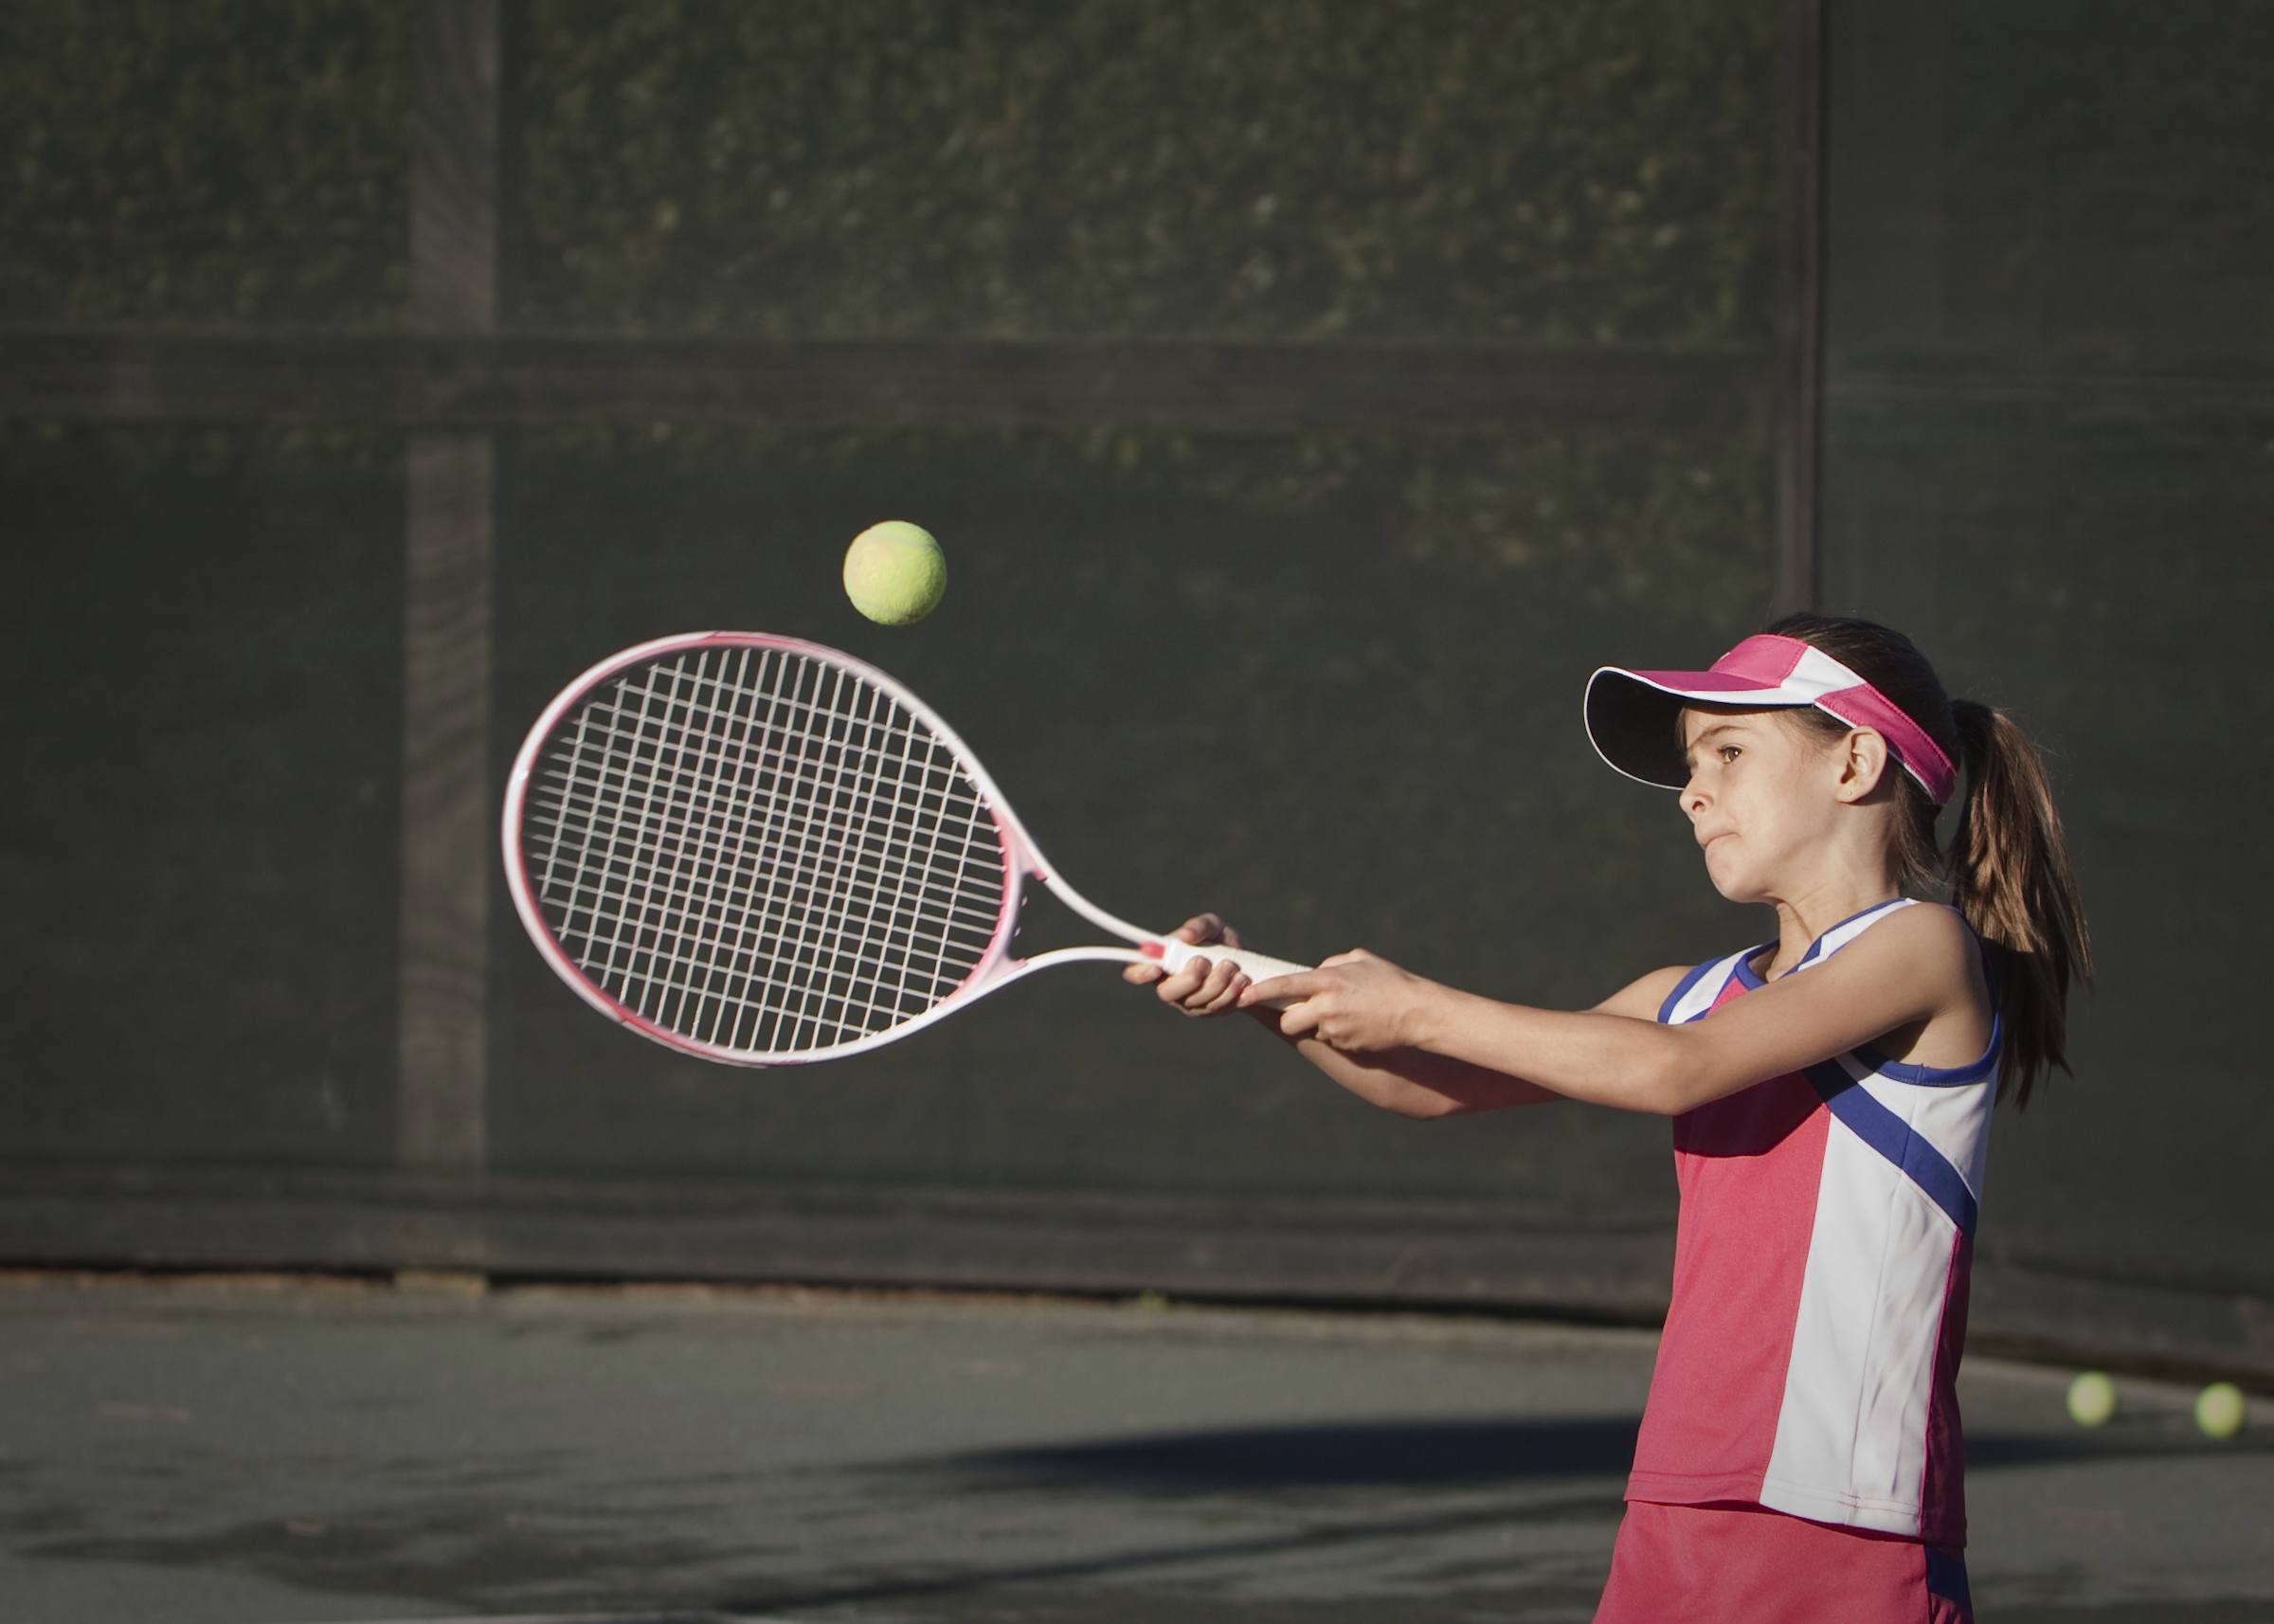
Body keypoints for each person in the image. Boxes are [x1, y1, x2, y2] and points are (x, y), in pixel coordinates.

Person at [1126, 612, 2090, 1624]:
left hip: (1846, 1523)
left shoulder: (1922, 948)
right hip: (1675, 1501)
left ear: (1854, 761)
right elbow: (1426, 1081)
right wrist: (1267, 993)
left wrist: (1419, 1002)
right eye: (1690, 762)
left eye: (1728, 748)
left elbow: (1680, 1072)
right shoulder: (1688, 990)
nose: (1692, 789)